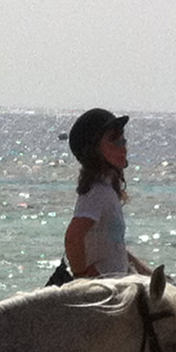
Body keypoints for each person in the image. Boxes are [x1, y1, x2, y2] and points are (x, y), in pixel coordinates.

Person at [62, 108, 152, 279]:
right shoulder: (97, 192)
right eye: (114, 141)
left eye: (123, 139)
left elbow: (114, 248)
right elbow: (73, 237)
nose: (123, 146)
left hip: (115, 288)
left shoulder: (107, 190)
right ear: (94, 150)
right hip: (103, 294)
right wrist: (82, 276)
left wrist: (147, 274)